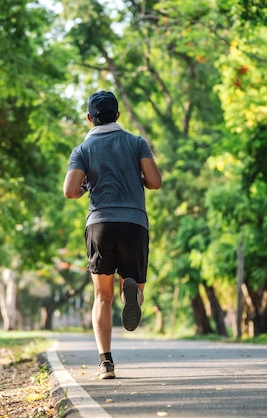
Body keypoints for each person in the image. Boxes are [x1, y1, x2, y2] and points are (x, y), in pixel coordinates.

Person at [63, 90, 162, 379]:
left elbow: (70, 191)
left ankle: (106, 362)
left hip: (100, 226)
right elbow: (155, 182)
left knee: (100, 296)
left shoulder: (82, 149)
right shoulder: (136, 142)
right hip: (133, 224)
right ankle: (132, 291)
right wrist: (136, 177)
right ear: (118, 115)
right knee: (134, 284)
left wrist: (86, 187)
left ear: (89, 118)